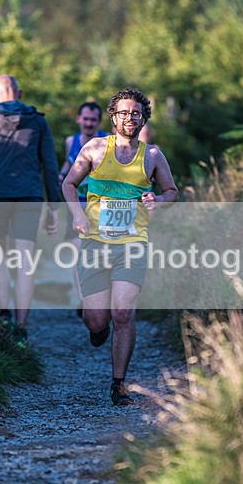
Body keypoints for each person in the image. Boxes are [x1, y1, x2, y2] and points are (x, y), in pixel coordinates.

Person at [62, 87, 178, 405]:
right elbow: (68, 184)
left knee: (123, 313)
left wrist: (159, 199)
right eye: (124, 112)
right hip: (95, 243)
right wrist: (77, 216)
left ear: (143, 119)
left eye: (136, 113)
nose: (130, 117)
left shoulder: (152, 156)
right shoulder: (95, 149)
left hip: (133, 243)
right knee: (98, 320)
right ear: (113, 116)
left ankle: (118, 384)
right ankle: (96, 329)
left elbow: (172, 191)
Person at [0, 74, 61, 328]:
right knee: (25, 262)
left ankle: (4, 318)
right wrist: (54, 207)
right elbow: (50, 166)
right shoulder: (38, 120)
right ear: (19, 94)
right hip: (29, 196)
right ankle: (21, 328)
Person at [58, 101, 110, 315]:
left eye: (93, 120)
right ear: (79, 119)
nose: (88, 124)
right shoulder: (71, 141)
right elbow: (69, 166)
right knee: (78, 252)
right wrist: (60, 177)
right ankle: (83, 299)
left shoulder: (108, 141)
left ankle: (104, 298)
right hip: (77, 203)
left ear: (99, 122)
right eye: (85, 119)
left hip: (103, 205)